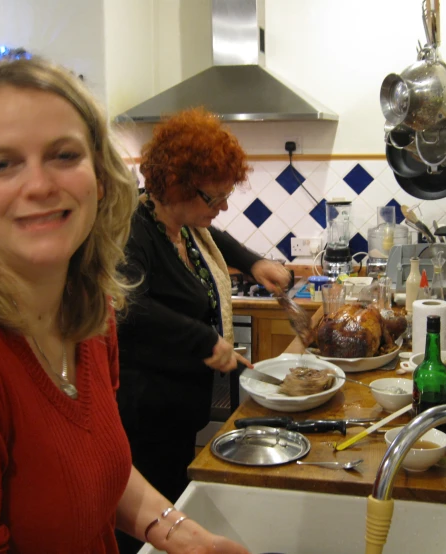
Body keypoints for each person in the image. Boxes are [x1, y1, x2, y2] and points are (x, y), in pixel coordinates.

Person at [0, 58, 249, 554]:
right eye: (2, 163)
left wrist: (182, 535)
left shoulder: (88, 313)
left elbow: (101, 464)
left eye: (64, 155)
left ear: (100, 179)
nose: (39, 185)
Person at [115, 108, 291, 553]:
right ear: (176, 187)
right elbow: (127, 305)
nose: (223, 207)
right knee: (142, 535)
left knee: (174, 512)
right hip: (143, 419)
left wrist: (255, 262)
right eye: (215, 198)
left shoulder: (184, 226)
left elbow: (218, 237)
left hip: (178, 413)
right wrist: (203, 338)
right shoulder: (133, 233)